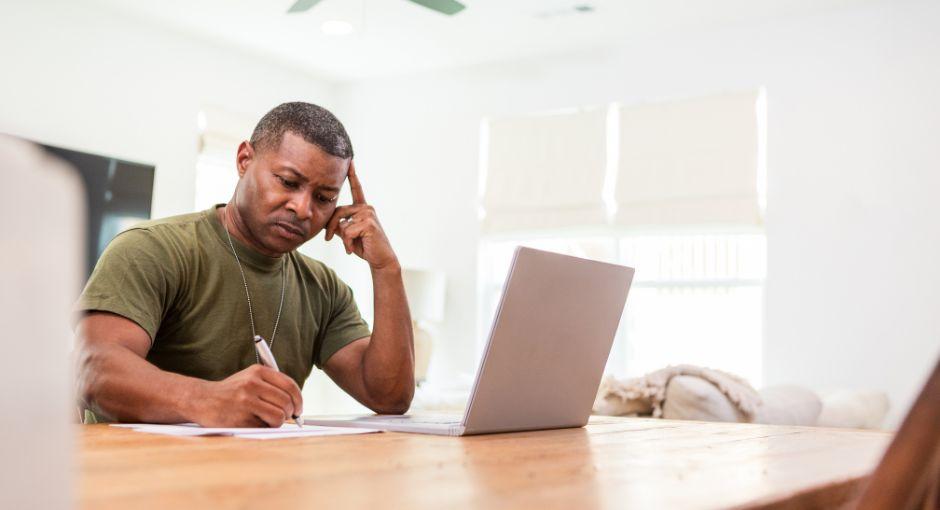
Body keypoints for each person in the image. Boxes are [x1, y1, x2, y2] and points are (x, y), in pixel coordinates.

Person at [74, 102, 414, 427]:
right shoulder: (152, 249)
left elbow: (389, 397)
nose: (303, 208)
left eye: (324, 198)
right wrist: (206, 399)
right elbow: (93, 370)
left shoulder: (323, 288)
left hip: (254, 479)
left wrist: (387, 269)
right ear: (243, 160)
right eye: (288, 182)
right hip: (137, 479)